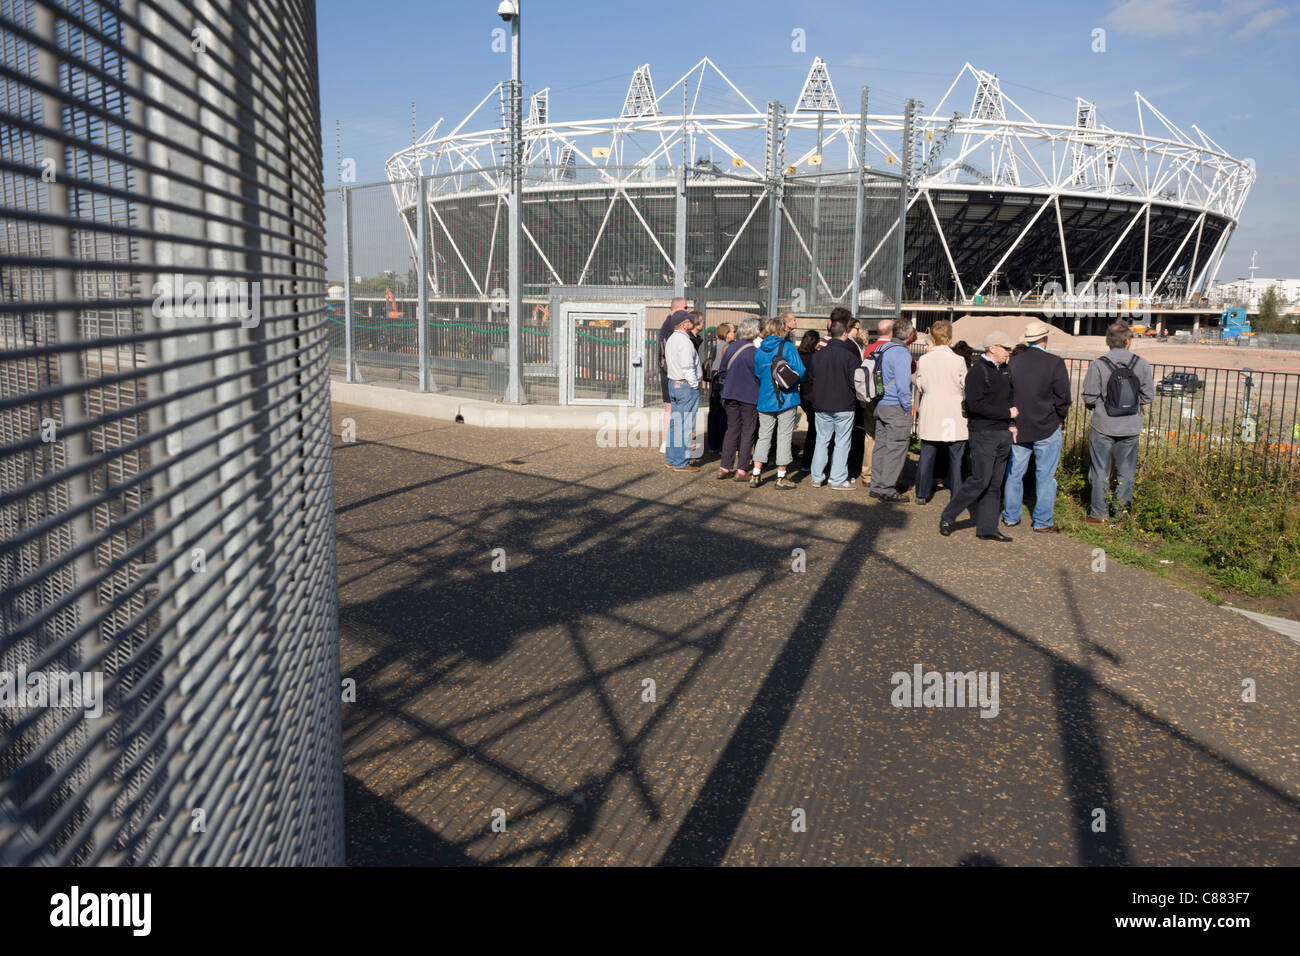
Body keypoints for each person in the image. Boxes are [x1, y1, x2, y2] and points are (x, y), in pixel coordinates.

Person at [939, 331, 1018, 540]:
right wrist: (1006, 414)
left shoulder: (1006, 370)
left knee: (994, 483)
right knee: (980, 479)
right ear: (992, 348)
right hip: (983, 433)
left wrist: (1011, 423)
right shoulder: (977, 372)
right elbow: (975, 405)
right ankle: (948, 516)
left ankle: (987, 528)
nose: (1009, 352)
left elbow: (1010, 398)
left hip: (1002, 433)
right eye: (1006, 348)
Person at [1081, 321, 1155, 523]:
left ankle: (1098, 514)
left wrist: (1101, 406)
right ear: (1129, 341)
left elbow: (1088, 396)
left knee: (1100, 470)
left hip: (1103, 425)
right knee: (1126, 473)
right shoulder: (1141, 364)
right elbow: (1148, 396)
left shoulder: (1098, 364)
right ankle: (1121, 514)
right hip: (1130, 426)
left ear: (1108, 342)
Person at [1002, 320, 1071, 532]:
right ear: (1045, 339)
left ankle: (1011, 516)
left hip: (1019, 425)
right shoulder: (1055, 363)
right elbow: (1063, 396)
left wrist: (1010, 420)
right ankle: (1042, 521)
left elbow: (1007, 394)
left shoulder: (1014, 363)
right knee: (1045, 476)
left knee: (1014, 474)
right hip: (1047, 426)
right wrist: (1060, 417)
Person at [913, 319, 968, 505]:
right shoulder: (958, 360)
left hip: (932, 409)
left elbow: (920, 384)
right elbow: (964, 384)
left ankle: (921, 493)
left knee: (927, 453)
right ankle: (957, 494)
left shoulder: (924, 360)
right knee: (956, 455)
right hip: (952, 411)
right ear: (949, 339)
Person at [751, 316, 805, 489]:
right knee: (783, 436)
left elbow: (758, 374)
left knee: (763, 436)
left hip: (765, 398)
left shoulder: (760, 350)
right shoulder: (787, 347)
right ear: (782, 330)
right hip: (786, 398)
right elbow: (801, 371)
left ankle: (756, 473)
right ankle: (781, 476)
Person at [867, 318, 917, 502]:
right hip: (896, 405)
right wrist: (908, 408)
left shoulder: (882, 348)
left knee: (881, 447)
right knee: (895, 449)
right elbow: (904, 386)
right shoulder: (902, 354)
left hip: (880, 404)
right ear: (909, 335)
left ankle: (876, 485)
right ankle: (887, 488)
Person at [808, 315, 860, 489]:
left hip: (822, 403)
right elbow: (855, 382)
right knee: (842, 442)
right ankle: (837, 478)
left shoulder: (817, 355)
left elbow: (812, 378)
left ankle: (817, 476)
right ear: (845, 333)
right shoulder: (850, 356)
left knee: (822, 440)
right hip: (844, 404)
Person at [718, 316, 762, 480]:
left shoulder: (730, 348)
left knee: (732, 430)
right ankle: (742, 469)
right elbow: (760, 376)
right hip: (750, 395)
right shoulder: (755, 352)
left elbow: (722, 371)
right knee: (748, 431)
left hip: (730, 394)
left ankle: (724, 467)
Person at [663, 311, 703, 472]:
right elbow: (687, 367)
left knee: (676, 423)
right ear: (684, 324)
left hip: (674, 383)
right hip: (685, 385)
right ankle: (681, 462)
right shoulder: (684, 342)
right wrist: (694, 385)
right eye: (689, 321)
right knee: (685, 425)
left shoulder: (672, 339)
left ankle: (672, 459)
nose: (692, 322)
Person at [859, 318, 895, 482]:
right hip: (891, 398)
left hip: (871, 397)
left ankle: (867, 473)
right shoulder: (897, 349)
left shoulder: (869, 349)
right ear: (892, 332)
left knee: (870, 435)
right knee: (890, 437)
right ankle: (886, 472)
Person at [658, 298, 690, 452]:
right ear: (677, 308)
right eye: (685, 307)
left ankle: (669, 441)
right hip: (671, 373)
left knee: (671, 406)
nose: (688, 310)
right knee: (671, 407)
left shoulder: (668, 324)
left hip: (670, 372)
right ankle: (668, 441)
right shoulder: (671, 326)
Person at [705, 323, 734, 454]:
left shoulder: (716, 346)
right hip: (724, 383)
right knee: (725, 415)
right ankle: (723, 446)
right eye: (733, 331)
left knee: (715, 414)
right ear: (726, 333)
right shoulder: (728, 347)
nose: (735, 333)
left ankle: (712, 444)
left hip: (715, 383)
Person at [796, 330, 821, 472]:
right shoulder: (815, 357)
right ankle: (809, 461)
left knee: (813, 427)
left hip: (801, 394)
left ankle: (806, 461)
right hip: (812, 394)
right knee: (814, 430)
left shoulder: (798, 355)